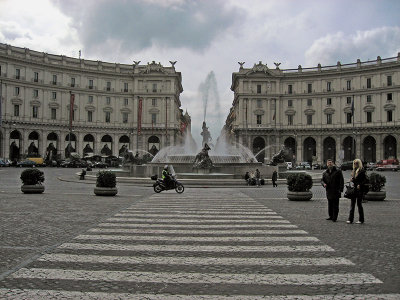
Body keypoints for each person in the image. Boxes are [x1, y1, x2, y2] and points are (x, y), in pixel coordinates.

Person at [347, 159, 366, 224]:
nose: (355, 164)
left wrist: (359, 184)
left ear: (359, 163)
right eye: (354, 163)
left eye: (357, 163)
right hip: (354, 189)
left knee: (359, 205)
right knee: (352, 205)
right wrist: (352, 180)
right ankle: (350, 219)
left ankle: (361, 219)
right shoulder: (354, 171)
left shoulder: (362, 171)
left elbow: (364, 180)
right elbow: (354, 180)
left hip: (359, 190)